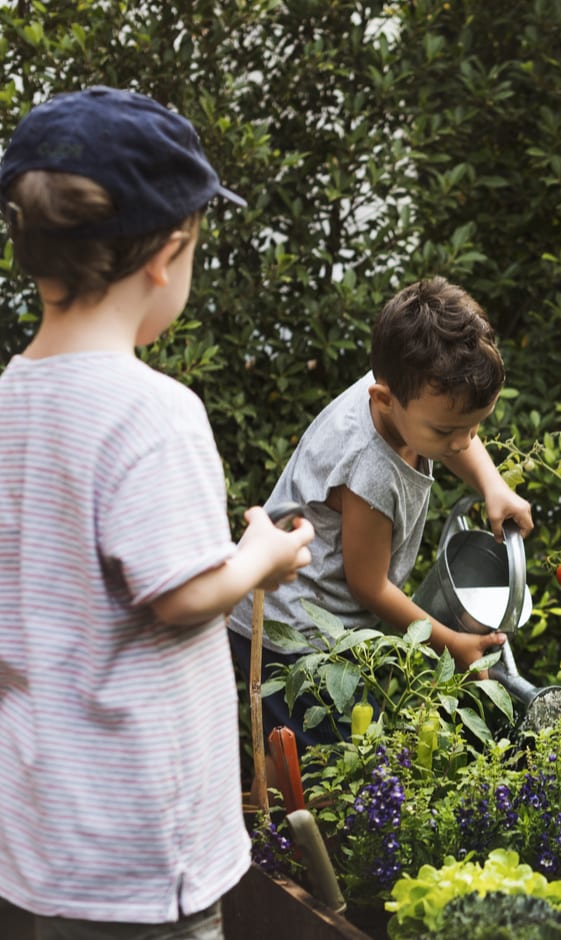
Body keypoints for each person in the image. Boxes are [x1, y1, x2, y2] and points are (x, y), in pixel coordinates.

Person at [0, 87, 315, 937]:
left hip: (39, 829)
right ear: (165, 255)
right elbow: (178, 594)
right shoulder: (153, 412)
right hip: (143, 843)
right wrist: (260, 556)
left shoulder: (11, 400)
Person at [226, 276, 533, 747]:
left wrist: (493, 485)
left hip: (332, 627)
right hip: (294, 636)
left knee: (351, 749)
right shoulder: (370, 467)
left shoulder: (408, 389)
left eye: (474, 427)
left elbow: (452, 432)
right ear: (383, 399)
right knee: (316, 765)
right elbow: (367, 585)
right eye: (448, 431)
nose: (463, 443)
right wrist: (453, 644)